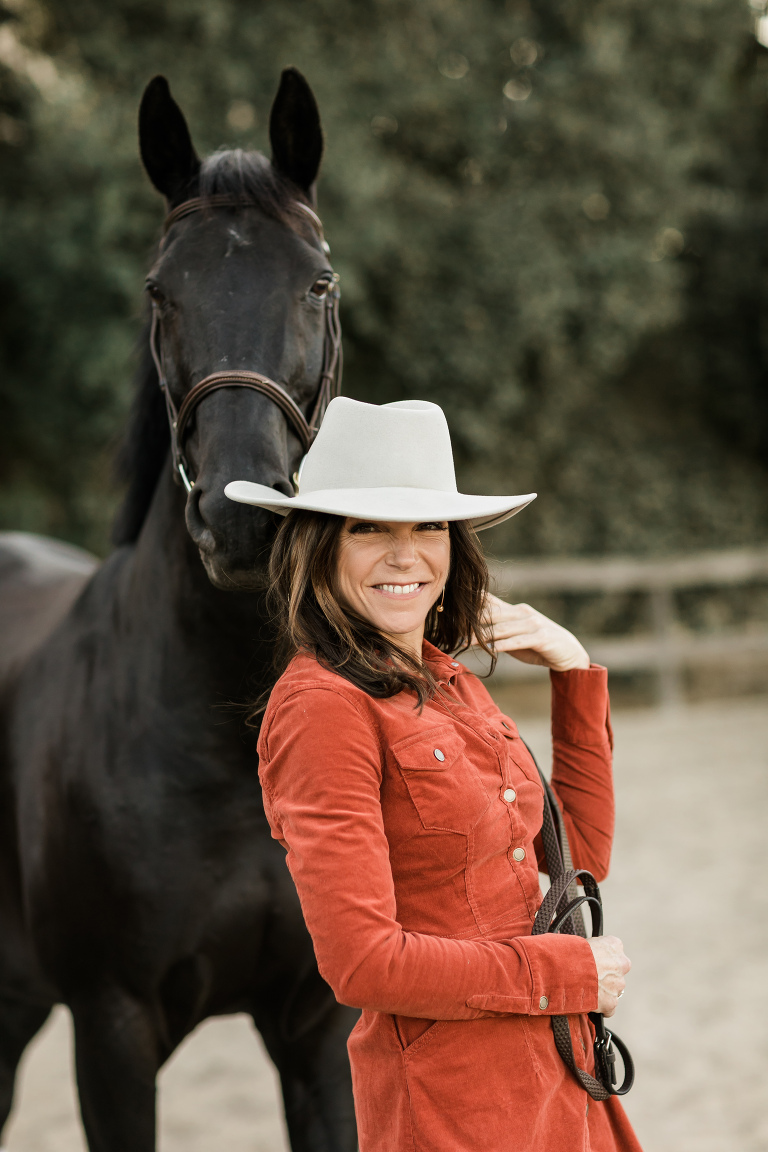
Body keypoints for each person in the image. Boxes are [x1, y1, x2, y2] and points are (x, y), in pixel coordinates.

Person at [225, 397, 641, 1152]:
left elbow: (574, 860)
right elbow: (364, 964)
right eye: (368, 528)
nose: (404, 553)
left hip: (557, 1075)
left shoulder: (449, 679)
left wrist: (574, 674)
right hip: (457, 1105)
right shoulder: (322, 708)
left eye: (426, 527)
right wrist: (562, 974)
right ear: (317, 545)